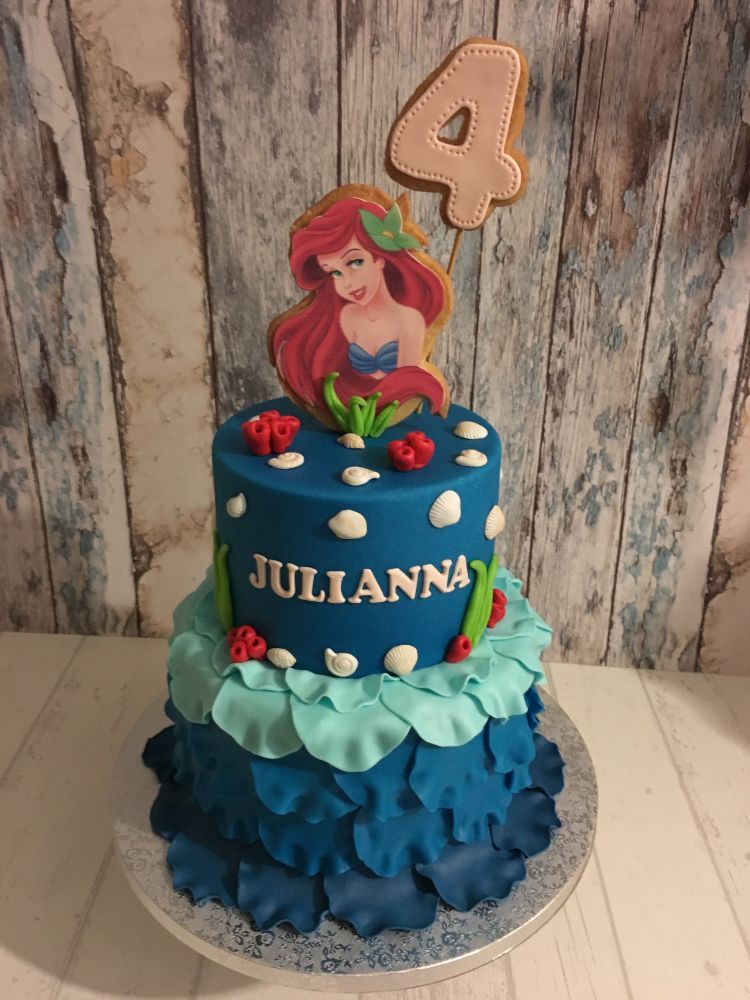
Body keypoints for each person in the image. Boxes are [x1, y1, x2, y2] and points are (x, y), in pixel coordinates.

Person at [269, 191, 450, 421]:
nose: (347, 283)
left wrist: (426, 385)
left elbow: (404, 384)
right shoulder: (346, 316)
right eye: (335, 272)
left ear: (380, 257)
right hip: (347, 418)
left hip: (385, 417)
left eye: (355, 262)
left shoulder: (409, 320)